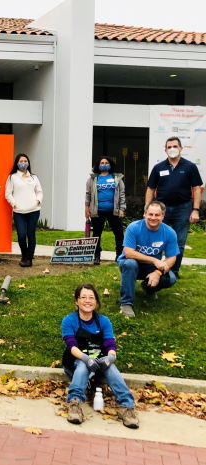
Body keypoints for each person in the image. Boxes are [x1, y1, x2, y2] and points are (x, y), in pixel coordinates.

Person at [62, 284, 138, 429]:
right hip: (76, 362)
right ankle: (74, 403)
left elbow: (110, 344)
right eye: (83, 297)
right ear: (76, 301)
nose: (87, 301)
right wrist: (85, 358)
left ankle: (127, 407)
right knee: (83, 365)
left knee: (111, 368)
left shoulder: (103, 321)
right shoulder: (69, 320)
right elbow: (71, 346)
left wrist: (110, 358)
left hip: (98, 362)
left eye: (91, 297)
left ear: (96, 302)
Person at [145, 136, 202, 277]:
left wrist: (195, 210)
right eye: (169, 147)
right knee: (156, 241)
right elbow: (150, 189)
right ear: (165, 150)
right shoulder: (158, 167)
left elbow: (196, 189)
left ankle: (173, 272)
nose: (172, 149)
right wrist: (147, 209)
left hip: (183, 209)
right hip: (161, 209)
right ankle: (154, 270)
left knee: (179, 242)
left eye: (175, 146)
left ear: (181, 148)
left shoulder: (190, 167)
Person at [117, 201, 179, 318]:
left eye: (157, 215)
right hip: (131, 263)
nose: (153, 218)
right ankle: (126, 303)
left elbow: (172, 258)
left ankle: (149, 288)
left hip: (151, 268)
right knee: (130, 264)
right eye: (150, 214)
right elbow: (129, 253)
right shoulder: (133, 227)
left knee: (171, 278)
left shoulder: (170, 233)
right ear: (144, 214)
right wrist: (154, 260)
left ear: (162, 216)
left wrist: (157, 272)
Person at [85, 156, 126, 264]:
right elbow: (88, 194)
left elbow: (122, 194)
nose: (104, 164)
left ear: (110, 164)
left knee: (119, 233)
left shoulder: (117, 178)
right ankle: (97, 256)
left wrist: (122, 208)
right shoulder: (93, 179)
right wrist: (86, 208)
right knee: (97, 234)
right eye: (102, 163)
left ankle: (119, 255)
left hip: (114, 211)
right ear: (98, 165)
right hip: (97, 211)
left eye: (106, 162)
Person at [4, 153, 43, 267]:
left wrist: (38, 201)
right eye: (21, 161)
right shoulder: (12, 177)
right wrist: (14, 204)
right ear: (17, 163)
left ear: (28, 162)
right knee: (21, 235)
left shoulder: (34, 177)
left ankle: (29, 259)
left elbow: (39, 191)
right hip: (19, 212)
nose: (23, 163)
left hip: (34, 211)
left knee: (31, 234)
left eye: (25, 161)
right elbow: (7, 193)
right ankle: (24, 255)